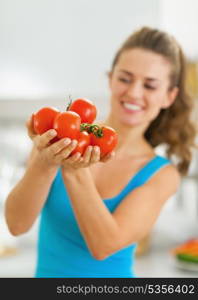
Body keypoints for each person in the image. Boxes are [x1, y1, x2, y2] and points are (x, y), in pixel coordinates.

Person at [5, 27, 197, 278]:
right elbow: (17, 225)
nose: (134, 92)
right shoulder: (58, 138)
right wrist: (44, 163)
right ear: (110, 79)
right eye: (125, 79)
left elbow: (104, 246)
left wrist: (74, 170)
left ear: (169, 97)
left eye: (150, 85)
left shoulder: (162, 175)